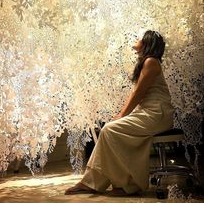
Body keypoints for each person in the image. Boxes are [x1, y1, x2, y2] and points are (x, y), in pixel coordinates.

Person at [65, 30, 174, 196]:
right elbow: (138, 94)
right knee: (110, 130)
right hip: (150, 113)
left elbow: (138, 94)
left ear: (147, 43)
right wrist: (123, 114)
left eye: (139, 38)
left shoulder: (151, 62)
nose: (136, 39)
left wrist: (122, 115)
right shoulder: (147, 62)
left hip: (157, 114)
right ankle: (111, 183)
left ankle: (117, 183)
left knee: (109, 129)